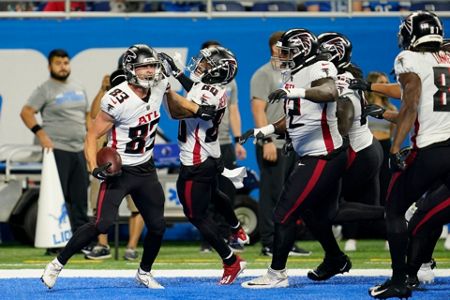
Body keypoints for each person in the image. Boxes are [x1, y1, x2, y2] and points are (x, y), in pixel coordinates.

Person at [40, 44, 216, 289]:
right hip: (119, 171)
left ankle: (144, 272)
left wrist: (196, 109)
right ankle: (56, 265)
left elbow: (172, 99)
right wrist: (93, 167)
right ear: (131, 69)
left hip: (146, 168)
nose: (150, 71)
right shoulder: (116, 98)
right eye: (144, 66)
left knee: (157, 226)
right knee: (101, 224)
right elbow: (91, 136)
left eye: (153, 65)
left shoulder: (159, 84)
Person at [241, 28, 350, 289]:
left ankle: (277, 273)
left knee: (284, 212)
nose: (283, 56)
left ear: (301, 49)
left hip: (323, 154)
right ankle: (335, 258)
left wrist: (295, 93)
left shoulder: (319, 67)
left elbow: (329, 93)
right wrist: (264, 130)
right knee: (315, 214)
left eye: (288, 50)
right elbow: (294, 118)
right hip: (311, 153)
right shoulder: (293, 73)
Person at [369, 11, 450, 299]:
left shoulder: (409, 59)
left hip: (430, 149)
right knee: (427, 213)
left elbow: (412, 100)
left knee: (394, 210)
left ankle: (400, 279)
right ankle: (415, 270)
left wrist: (394, 148)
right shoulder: (446, 57)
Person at [160, 46, 249, 285]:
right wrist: (177, 75)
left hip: (196, 160)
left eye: (206, 64)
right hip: (210, 156)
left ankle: (231, 261)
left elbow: (177, 112)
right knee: (215, 193)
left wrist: (166, 88)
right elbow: (194, 91)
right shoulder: (212, 89)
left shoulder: (208, 95)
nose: (199, 65)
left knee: (195, 215)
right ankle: (236, 226)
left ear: (217, 72)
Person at [318, 32, 384, 252]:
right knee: (331, 207)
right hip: (366, 146)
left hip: (356, 149)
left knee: (327, 208)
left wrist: (330, 147)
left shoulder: (340, 79)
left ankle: (396, 211)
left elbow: (343, 117)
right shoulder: (349, 72)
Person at [20, 49, 90, 253]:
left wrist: (89, 138)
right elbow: (26, 112)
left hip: (78, 149)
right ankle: (56, 242)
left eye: (66, 63)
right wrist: (41, 135)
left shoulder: (78, 87)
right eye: (58, 63)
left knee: (79, 199)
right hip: (57, 149)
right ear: (50, 66)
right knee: (59, 198)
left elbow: (85, 115)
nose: (63, 66)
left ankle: (81, 243)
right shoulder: (45, 89)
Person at [250, 31, 311, 257]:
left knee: (290, 194)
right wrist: (266, 140)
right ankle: (269, 241)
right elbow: (258, 110)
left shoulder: (295, 72)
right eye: (286, 45)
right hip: (272, 141)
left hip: (293, 142)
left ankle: (287, 240)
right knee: (271, 193)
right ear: (275, 47)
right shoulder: (264, 74)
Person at [84, 69, 146, 261]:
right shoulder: (109, 98)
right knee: (99, 205)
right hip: (106, 158)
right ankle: (103, 245)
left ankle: (132, 247)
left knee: (138, 206)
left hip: (133, 158)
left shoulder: (139, 94)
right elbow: (93, 117)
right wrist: (103, 89)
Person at [197, 40, 247, 253]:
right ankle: (208, 239)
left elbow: (234, 110)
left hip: (224, 140)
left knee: (226, 191)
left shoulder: (230, 82)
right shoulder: (195, 79)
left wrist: (238, 140)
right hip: (203, 142)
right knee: (205, 192)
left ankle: (228, 235)